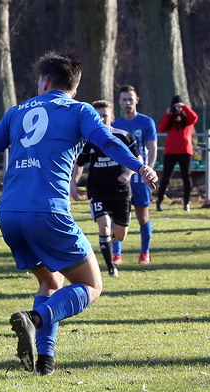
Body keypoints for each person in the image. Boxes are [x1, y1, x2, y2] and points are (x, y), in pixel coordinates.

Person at [0, 51, 157, 375]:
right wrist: (139, 166)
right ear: (73, 88)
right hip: (47, 213)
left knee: (51, 281)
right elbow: (107, 143)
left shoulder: (16, 112)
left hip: (10, 214)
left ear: (45, 81)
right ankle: (34, 319)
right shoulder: (79, 109)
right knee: (92, 285)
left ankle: (45, 360)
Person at [70, 100, 142, 278]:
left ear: (112, 117)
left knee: (121, 234)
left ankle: (110, 241)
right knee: (104, 227)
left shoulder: (124, 136)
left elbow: (138, 158)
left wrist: (129, 173)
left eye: (105, 115)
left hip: (121, 191)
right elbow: (79, 163)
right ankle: (111, 268)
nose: (101, 119)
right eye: (98, 116)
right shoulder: (89, 140)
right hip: (98, 190)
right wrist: (73, 182)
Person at [112, 85, 158, 265]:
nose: (127, 103)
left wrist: (148, 172)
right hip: (122, 178)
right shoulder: (116, 125)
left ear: (136, 100)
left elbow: (152, 149)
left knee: (142, 216)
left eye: (130, 99)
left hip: (140, 178)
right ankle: (116, 254)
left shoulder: (146, 122)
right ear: (119, 102)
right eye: (124, 99)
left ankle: (145, 252)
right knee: (118, 216)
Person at [156, 95, 199, 212]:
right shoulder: (170, 120)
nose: (177, 109)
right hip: (170, 151)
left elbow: (194, 117)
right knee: (166, 177)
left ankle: (186, 202)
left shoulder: (187, 120)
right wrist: (168, 114)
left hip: (185, 151)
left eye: (179, 107)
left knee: (186, 177)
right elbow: (161, 128)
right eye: (175, 107)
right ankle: (159, 201)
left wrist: (184, 107)